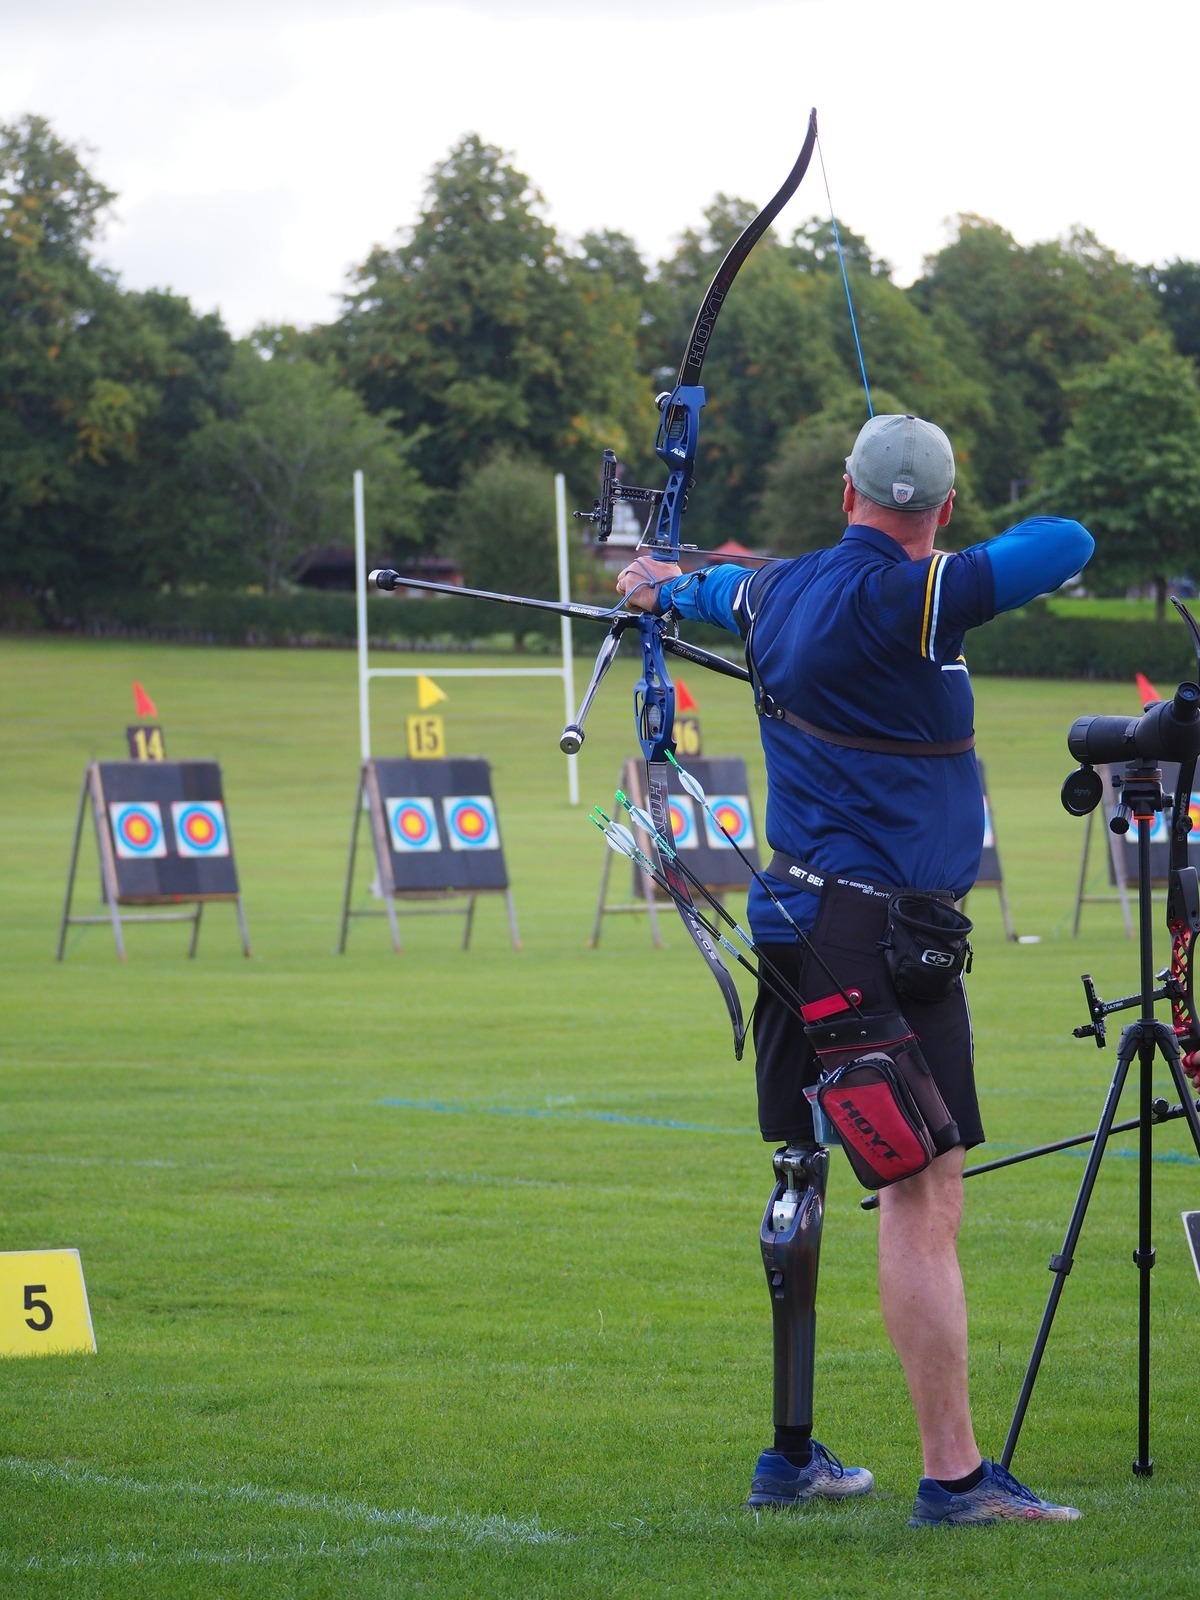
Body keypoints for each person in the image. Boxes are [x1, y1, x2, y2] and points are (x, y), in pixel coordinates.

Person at [616, 412, 1094, 1528]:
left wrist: (657, 580)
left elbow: (702, 595)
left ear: (843, 493)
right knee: (921, 1194)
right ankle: (956, 1478)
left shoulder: (772, 593)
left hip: (790, 920)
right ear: (946, 506)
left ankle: (791, 1457)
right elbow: (1065, 541)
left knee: (802, 1167)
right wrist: (940, 558)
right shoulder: (916, 595)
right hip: (880, 940)